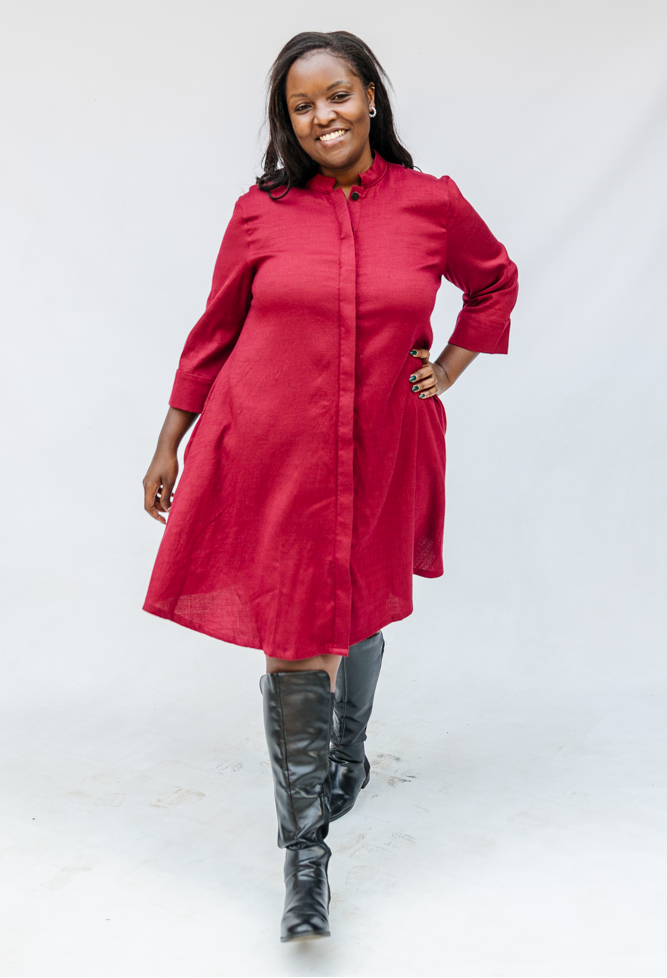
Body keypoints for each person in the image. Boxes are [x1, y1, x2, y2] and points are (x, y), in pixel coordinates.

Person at [142, 30, 518, 942]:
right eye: (302, 106)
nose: (323, 117)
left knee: (359, 605)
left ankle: (349, 749)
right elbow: (214, 332)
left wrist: (448, 369)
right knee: (295, 636)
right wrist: (169, 443)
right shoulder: (259, 213)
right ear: (287, 121)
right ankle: (305, 862)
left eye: (337, 95)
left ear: (371, 97)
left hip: (386, 446)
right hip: (272, 455)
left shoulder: (431, 204)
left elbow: (494, 283)